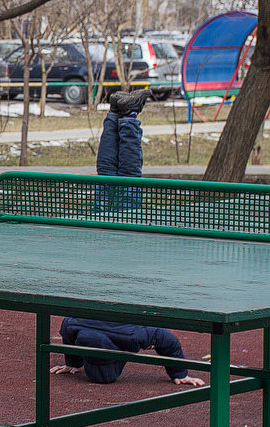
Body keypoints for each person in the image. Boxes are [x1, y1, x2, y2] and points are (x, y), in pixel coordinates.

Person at [51, 88, 205, 387]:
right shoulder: (76, 326)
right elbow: (67, 330)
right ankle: (115, 113)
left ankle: (129, 114)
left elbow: (167, 339)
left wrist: (180, 374)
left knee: (128, 175)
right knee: (108, 173)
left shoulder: (134, 334)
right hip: (100, 246)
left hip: (126, 250)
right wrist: (72, 362)